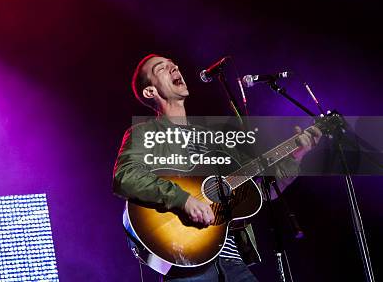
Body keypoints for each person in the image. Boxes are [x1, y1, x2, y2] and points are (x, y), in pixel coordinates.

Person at [113, 54, 321, 281]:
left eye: (174, 64)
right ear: (150, 91)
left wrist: (296, 156)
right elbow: (125, 176)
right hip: (187, 260)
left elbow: (261, 192)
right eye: (162, 68)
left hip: (233, 261)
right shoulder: (145, 133)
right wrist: (183, 199)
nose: (174, 68)